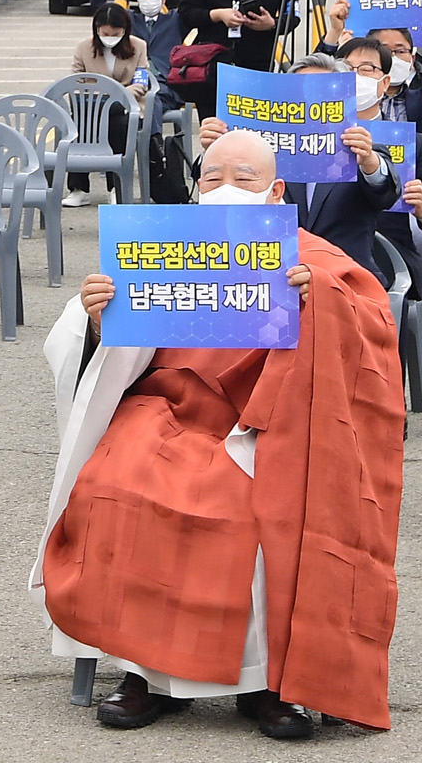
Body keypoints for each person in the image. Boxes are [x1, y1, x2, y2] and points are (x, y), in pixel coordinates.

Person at [33, 127, 403, 738]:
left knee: (256, 504)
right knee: (122, 479)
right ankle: (144, 673)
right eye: (212, 178)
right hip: (165, 408)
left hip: (265, 422)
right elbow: (92, 345)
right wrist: (97, 317)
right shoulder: (163, 245)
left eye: (245, 179)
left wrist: (322, 302)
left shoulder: (313, 256)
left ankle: (267, 681)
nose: (226, 189)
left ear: (276, 191)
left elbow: (372, 328)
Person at [197, 54, 397, 284]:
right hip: (267, 280)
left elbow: (387, 194)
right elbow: (214, 194)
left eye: (323, 93)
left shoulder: (361, 149)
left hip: (346, 281)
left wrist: (369, 162)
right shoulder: (260, 152)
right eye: (302, 91)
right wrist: (214, 148)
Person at [336, 35, 422, 301]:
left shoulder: (412, 142)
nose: (355, 77)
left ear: (384, 83)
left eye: (366, 69)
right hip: (321, 258)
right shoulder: (310, 141)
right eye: (346, 69)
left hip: (386, 258)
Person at [327, 0, 422, 171]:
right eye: (385, 50)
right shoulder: (341, 101)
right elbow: (306, 85)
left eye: (400, 51)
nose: (393, 57)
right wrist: (334, 34)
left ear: (412, 58)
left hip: (416, 190)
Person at [62, 3, 149, 206]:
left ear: (124, 31)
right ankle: (78, 188)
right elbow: (76, 79)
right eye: (105, 33)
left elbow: (141, 81)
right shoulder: (84, 47)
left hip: (125, 105)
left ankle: (115, 187)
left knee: (118, 124)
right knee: (79, 123)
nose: (110, 37)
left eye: (115, 33)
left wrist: (120, 94)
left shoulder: (138, 46)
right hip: (92, 106)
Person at [91, 0, 191, 106]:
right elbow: (98, 6)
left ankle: (152, 133)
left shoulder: (176, 19)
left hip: (165, 84)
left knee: (152, 101)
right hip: (129, 83)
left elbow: (197, 0)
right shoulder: (128, 19)